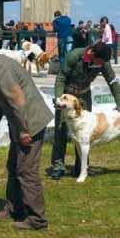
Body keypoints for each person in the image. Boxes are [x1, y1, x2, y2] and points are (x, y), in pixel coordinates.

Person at [0, 41, 53, 230]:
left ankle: (37, 219)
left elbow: (16, 97)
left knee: (26, 170)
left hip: (29, 122)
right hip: (22, 122)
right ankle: (15, 208)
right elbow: (1, 102)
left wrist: (24, 129)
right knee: (13, 165)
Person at [49, 42, 120, 180]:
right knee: (61, 131)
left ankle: (81, 168)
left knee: (84, 134)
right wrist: (59, 97)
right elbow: (61, 77)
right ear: (92, 54)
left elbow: (112, 81)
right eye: (101, 62)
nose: (103, 65)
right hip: (67, 97)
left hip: (84, 96)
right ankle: (58, 167)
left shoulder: (103, 61)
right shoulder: (74, 56)